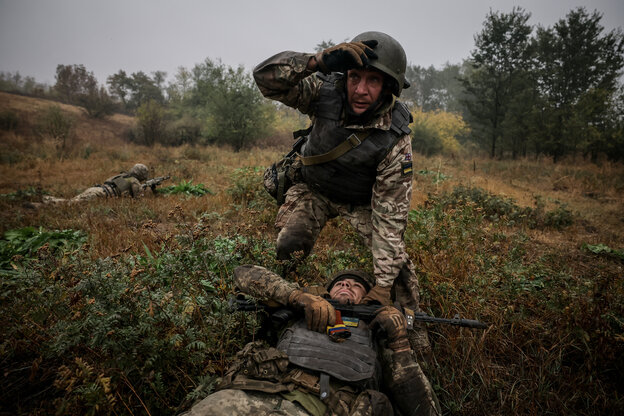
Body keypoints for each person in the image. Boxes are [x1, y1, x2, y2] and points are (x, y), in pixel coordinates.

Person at [253, 32, 428, 350]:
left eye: (373, 80)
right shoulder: (324, 91)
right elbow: (266, 80)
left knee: (401, 276)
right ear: (344, 76)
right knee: (289, 244)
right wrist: (314, 61)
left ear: (388, 86)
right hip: (314, 188)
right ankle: (285, 309)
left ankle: (414, 335)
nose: (360, 90)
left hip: (360, 202)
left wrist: (383, 285)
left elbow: (391, 215)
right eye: (354, 77)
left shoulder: (395, 138)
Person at [182, 265, 440, 416]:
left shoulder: (377, 333)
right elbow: (243, 274)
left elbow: (425, 410)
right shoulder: (301, 306)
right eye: (341, 283)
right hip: (249, 393)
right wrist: (296, 297)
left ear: (366, 298)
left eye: (356, 285)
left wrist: (399, 343)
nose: (346, 286)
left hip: (316, 407)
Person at [39, 163, 151, 205]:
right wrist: (143, 190)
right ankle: (40, 204)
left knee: (71, 202)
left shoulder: (123, 176)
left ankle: (46, 199)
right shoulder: (134, 181)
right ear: (141, 175)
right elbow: (138, 201)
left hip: (96, 190)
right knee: (69, 204)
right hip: (99, 195)